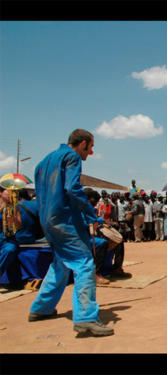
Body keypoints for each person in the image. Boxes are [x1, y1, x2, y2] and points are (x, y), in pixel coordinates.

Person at [28, 129, 114, 336]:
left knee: (60, 263)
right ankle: (85, 318)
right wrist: (92, 216)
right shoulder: (72, 157)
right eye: (91, 147)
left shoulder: (43, 162)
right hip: (65, 221)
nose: (90, 152)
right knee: (84, 263)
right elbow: (72, 189)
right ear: (83, 143)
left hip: (48, 220)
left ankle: (41, 308)